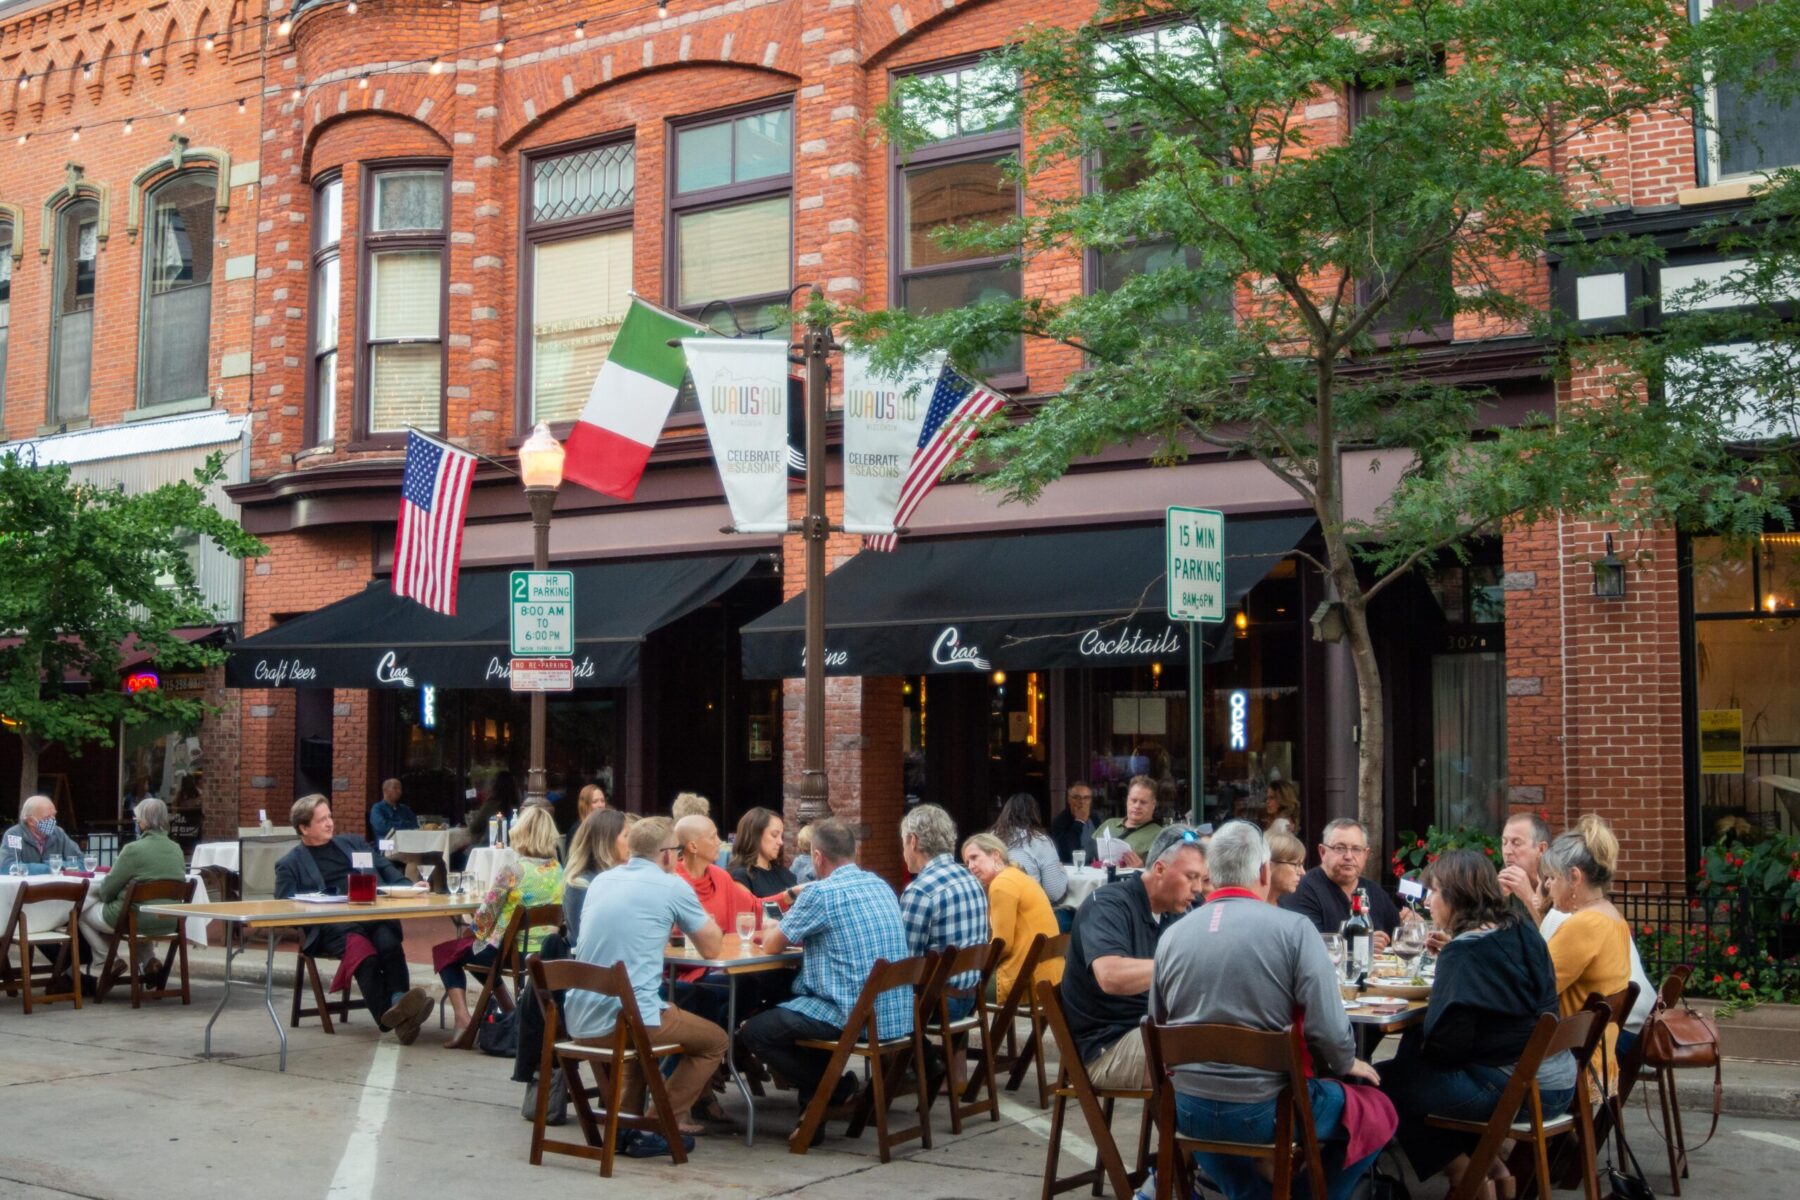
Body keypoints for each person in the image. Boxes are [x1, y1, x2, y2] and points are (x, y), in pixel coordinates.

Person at [1153, 820, 1390, 1200]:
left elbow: (1159, 1025)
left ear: (1211, 873)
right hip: (1267, 1110)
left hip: (1187, 1108)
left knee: (1212, 1122)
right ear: (1264, 871)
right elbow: (1328, 1028)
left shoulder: (1172, 936)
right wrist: (1346, 1062)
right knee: (1378, 1110)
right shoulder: (1294, 929)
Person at [1379, 850, 1575, 1194]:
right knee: (1412, 1068)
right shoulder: (1521, 928)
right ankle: (1495, 1169)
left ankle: (1466, 1175)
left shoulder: (1464, 953)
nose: (1428, 902)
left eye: (1435, 892)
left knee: (1385, 1084)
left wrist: (1448, 975)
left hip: (1519, 1091)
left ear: (1457, 896)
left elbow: (1447, 1048)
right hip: (1558, 1082)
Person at [565, 817, 724, 1154]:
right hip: (627, 1018)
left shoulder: (601, 882)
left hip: (578, 1016)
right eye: (677, 853)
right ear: (667, 855)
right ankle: (657, 1123)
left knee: (641, 1038)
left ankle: (627, 1126)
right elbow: (711, 947)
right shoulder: (672, 886)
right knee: (715, 1041)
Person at [740, 817, 912, 1120]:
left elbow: (771, 946)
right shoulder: (881, 885)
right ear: (853, 852)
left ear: (817, 857)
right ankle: (816, 1111)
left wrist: (769, 928)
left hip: (852, 1015)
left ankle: (831, 1090)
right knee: (801, 1006)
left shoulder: (821, 893)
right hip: (893, 1013)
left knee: (755, 1032)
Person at [274, 795, 431, 1044]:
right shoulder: (290, 864)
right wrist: (314, 904)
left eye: (329, 817)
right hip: (333, 927)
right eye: (321, 819)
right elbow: (284, 906)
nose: (329, 823)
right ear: (304, 828)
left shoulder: (353, 843)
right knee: (366, 959)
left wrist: (409, 886)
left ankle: (399, 1002)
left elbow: (384, 866)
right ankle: (394, 1016)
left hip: (370, 914)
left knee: (389, 943)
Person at [1060, 825, 1206, 1088]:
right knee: (1212, 1051)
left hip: (1152, 1029)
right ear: (1160, 869)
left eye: (1202, 879)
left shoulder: (1178, 910)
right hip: (1106, 1046)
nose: (1198, 888)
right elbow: (1110, 976)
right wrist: (1184, 964)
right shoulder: (1107, 905)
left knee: (1236, 1036)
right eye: (1191, 877)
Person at [438, 805, 564, 1039]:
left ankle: (463, 1019)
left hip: (508, 952)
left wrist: (470, 931)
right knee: (473, 952)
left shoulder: (513, 871)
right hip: (543, 951)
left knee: (446, 953)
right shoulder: (559, 871)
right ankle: (511, 1011)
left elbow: (483, 923)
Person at [1541, 814, 1633, 1085]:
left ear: (1575, 877)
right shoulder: (1613, 918)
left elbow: (1533, 986)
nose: (1547, 886)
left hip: (1568, 1062)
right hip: (1596, 1054)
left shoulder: (1584, 925)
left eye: (1552, 878)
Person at [899, 805, 989, 1020]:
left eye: (903, 842)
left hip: (937, 1003)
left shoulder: (920, 891)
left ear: (913, 841)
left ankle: (921, 1055)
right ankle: (926, 1055)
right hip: (971, 997)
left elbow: (906, 964)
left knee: (865, 1007)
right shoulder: (971, 879)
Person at [78, 797, 186, 966]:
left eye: (136, 820)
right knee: (137, 909)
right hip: (170, 919)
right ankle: (149, 961)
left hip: (136, 919)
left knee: (81, 913)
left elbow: (106, 891)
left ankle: (108, 960)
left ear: (142, 823)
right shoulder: (176, 849)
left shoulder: (133, 849)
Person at [962, 832, 1064, 1002]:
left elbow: (1002, 946)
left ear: (995, 855)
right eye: (967, 862)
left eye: (974, 857)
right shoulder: (1017, 876)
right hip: (1052, 977)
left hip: (1026, 980)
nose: (971, 866)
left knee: (958, 988)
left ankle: (971, 1029)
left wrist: (973, 963)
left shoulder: (1002, 884)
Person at [1279, 817, 1399, 951]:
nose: (1348, 856)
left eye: (1356, 849)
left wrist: (1410, 921)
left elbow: (1398, 935)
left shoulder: (1374, 892)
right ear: (1322, 852)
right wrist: (1362, 946)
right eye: (1340, 848)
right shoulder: (1303, 890)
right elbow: (1309, 948)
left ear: (1366, 854)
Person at [562, 808, 629, 945]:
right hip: (589, 964)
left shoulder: (621, 877)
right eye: (626, 836)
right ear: (607, 841)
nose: (632, 843)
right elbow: (581, 940)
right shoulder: (580, 885)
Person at [993, 792, 1069, 905]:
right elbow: (1054, 893)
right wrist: (1062, 872)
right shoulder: (1040, 841)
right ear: (1035, 814)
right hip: (1026, 910)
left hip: (993, 908)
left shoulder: (990, 838)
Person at [728, 806, 800, 907]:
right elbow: (748, 912)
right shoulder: (741, 877)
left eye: (781, 836)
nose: (780, 842)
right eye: (774, 835)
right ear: (755, 835)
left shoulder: (785, 874)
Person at [1092, 775, 1165, 867]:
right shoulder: (1109, 824)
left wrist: (1141, 869)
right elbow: (1087, 856)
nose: (1137, 806)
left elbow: (1163, 873)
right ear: (1127, 800)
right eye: (1134, 800)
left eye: (1143, 802)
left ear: (1153, 804)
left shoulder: (1161, 835)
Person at [1, 795, 86, 874]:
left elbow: (83, 862)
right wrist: (47, 868)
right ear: (30, 821)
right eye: (47, 817)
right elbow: (6, 867)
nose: (53, 820)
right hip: (27, 887)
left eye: (54, 815)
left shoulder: (58, 833)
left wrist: (58, 865)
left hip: (55, 887)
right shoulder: (14, 834)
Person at [1497, 811, 1554, 925]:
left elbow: (1555, 937)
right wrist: (1497, 899)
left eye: (1516, 843)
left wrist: (1528, 897)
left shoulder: (1557, 883)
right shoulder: (1504, 882)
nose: (1507, 851)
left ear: (1541, 849)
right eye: (1504, 843)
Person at [466, 771, 521, 847]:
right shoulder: (518, 807)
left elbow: (475, 827)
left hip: (489, 848)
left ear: (495, 786)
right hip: (513, 848)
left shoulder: (491, 805)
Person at [1050, 782, 1097, 864]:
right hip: (1069, 869)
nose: (1081, 802)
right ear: (1069, 799)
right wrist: (1079, 822)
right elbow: (1069, 850)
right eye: (1076, 797)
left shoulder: (1095, 818)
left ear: (1090, 801)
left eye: (1086, 798)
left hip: (1092, 868)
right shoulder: (1060, 821)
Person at [368, 778, 420, 842]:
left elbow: (416, 825)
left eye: (400, 788)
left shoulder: (405, 809)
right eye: (395, 788)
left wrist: (393, 824)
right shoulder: (377, 808)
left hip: (407, 842)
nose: (399, 791)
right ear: (385, 790)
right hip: (386, 844)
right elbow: (382, 828)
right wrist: (404, 824)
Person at [1266, 827, 1307, 901]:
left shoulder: (1294, 904)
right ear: (1269, 865)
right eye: (1296, 865)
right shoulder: (1250, 906)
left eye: (1302, 865)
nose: (1303, 872)